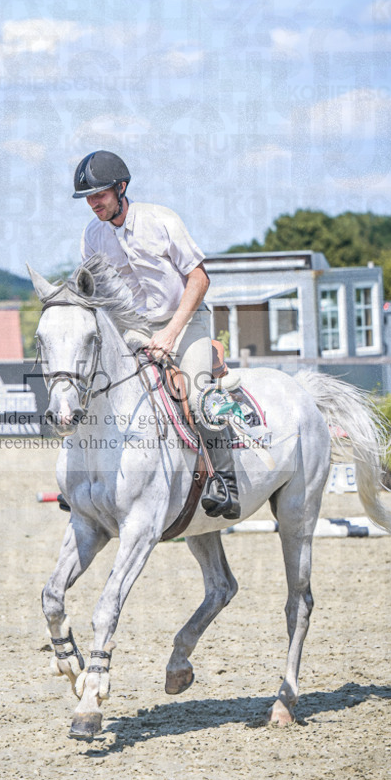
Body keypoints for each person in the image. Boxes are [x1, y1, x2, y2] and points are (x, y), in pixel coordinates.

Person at [73, 149, 240, 521]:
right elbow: (94, 291)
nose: (93, 203)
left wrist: (171, 333)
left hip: (185, 320)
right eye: (88, 198)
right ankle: (83, 476)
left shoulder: (162, 220)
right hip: (134, 328)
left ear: (121, 188)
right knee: (95, 386)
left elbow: (200, 279)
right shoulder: (93, 235)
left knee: (197, 395)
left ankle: (225, 482)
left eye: (99, 194)